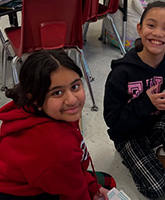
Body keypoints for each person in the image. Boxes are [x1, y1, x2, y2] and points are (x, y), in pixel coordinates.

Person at [103, 1, 165, 198]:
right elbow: (112, 120)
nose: (158, 33)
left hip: (157, 128)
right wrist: (146, 103)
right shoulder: (122, 72)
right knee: (156, 189)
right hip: (129, 134)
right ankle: (132, 155)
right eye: (151, 25)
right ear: (139, 28)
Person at [0, 49, 116, 200]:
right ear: (34, 97)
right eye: (57, 93)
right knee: (108, 183)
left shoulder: (40, 109)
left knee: (102, 181)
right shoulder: (56, 144)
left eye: (75, 86)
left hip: (31, 176)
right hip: (22, 193)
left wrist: (93, 187)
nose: (72, 100)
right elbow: (74, 194)